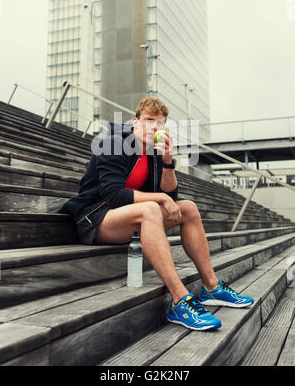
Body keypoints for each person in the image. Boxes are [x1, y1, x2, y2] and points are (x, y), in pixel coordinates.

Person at [58, 97, 254, 331]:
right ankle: (180, 301)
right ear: (135, 122)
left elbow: (171, 195)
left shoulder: (155, 153)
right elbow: (113, 196)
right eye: (149, 120)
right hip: (96, 217)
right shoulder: (112, 143)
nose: (154, 127)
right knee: (151, 207)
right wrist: (160, 198)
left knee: (188, 207)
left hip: (131, 217)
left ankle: (211, 287)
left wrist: (169, 163)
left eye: (160, 123)